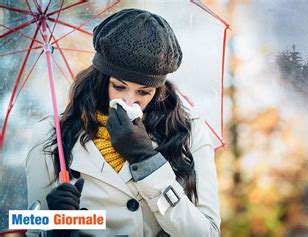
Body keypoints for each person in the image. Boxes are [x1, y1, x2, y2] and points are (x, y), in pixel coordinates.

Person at [25, 8, 220, 237]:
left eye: (144, 92)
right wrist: (55, 227)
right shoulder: (51, 133)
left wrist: (147, 161)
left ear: (158, 90)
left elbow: (207, 233)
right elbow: (32, 227)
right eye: (118, 87)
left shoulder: (189, 130)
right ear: (101, 78)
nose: (130, 101)